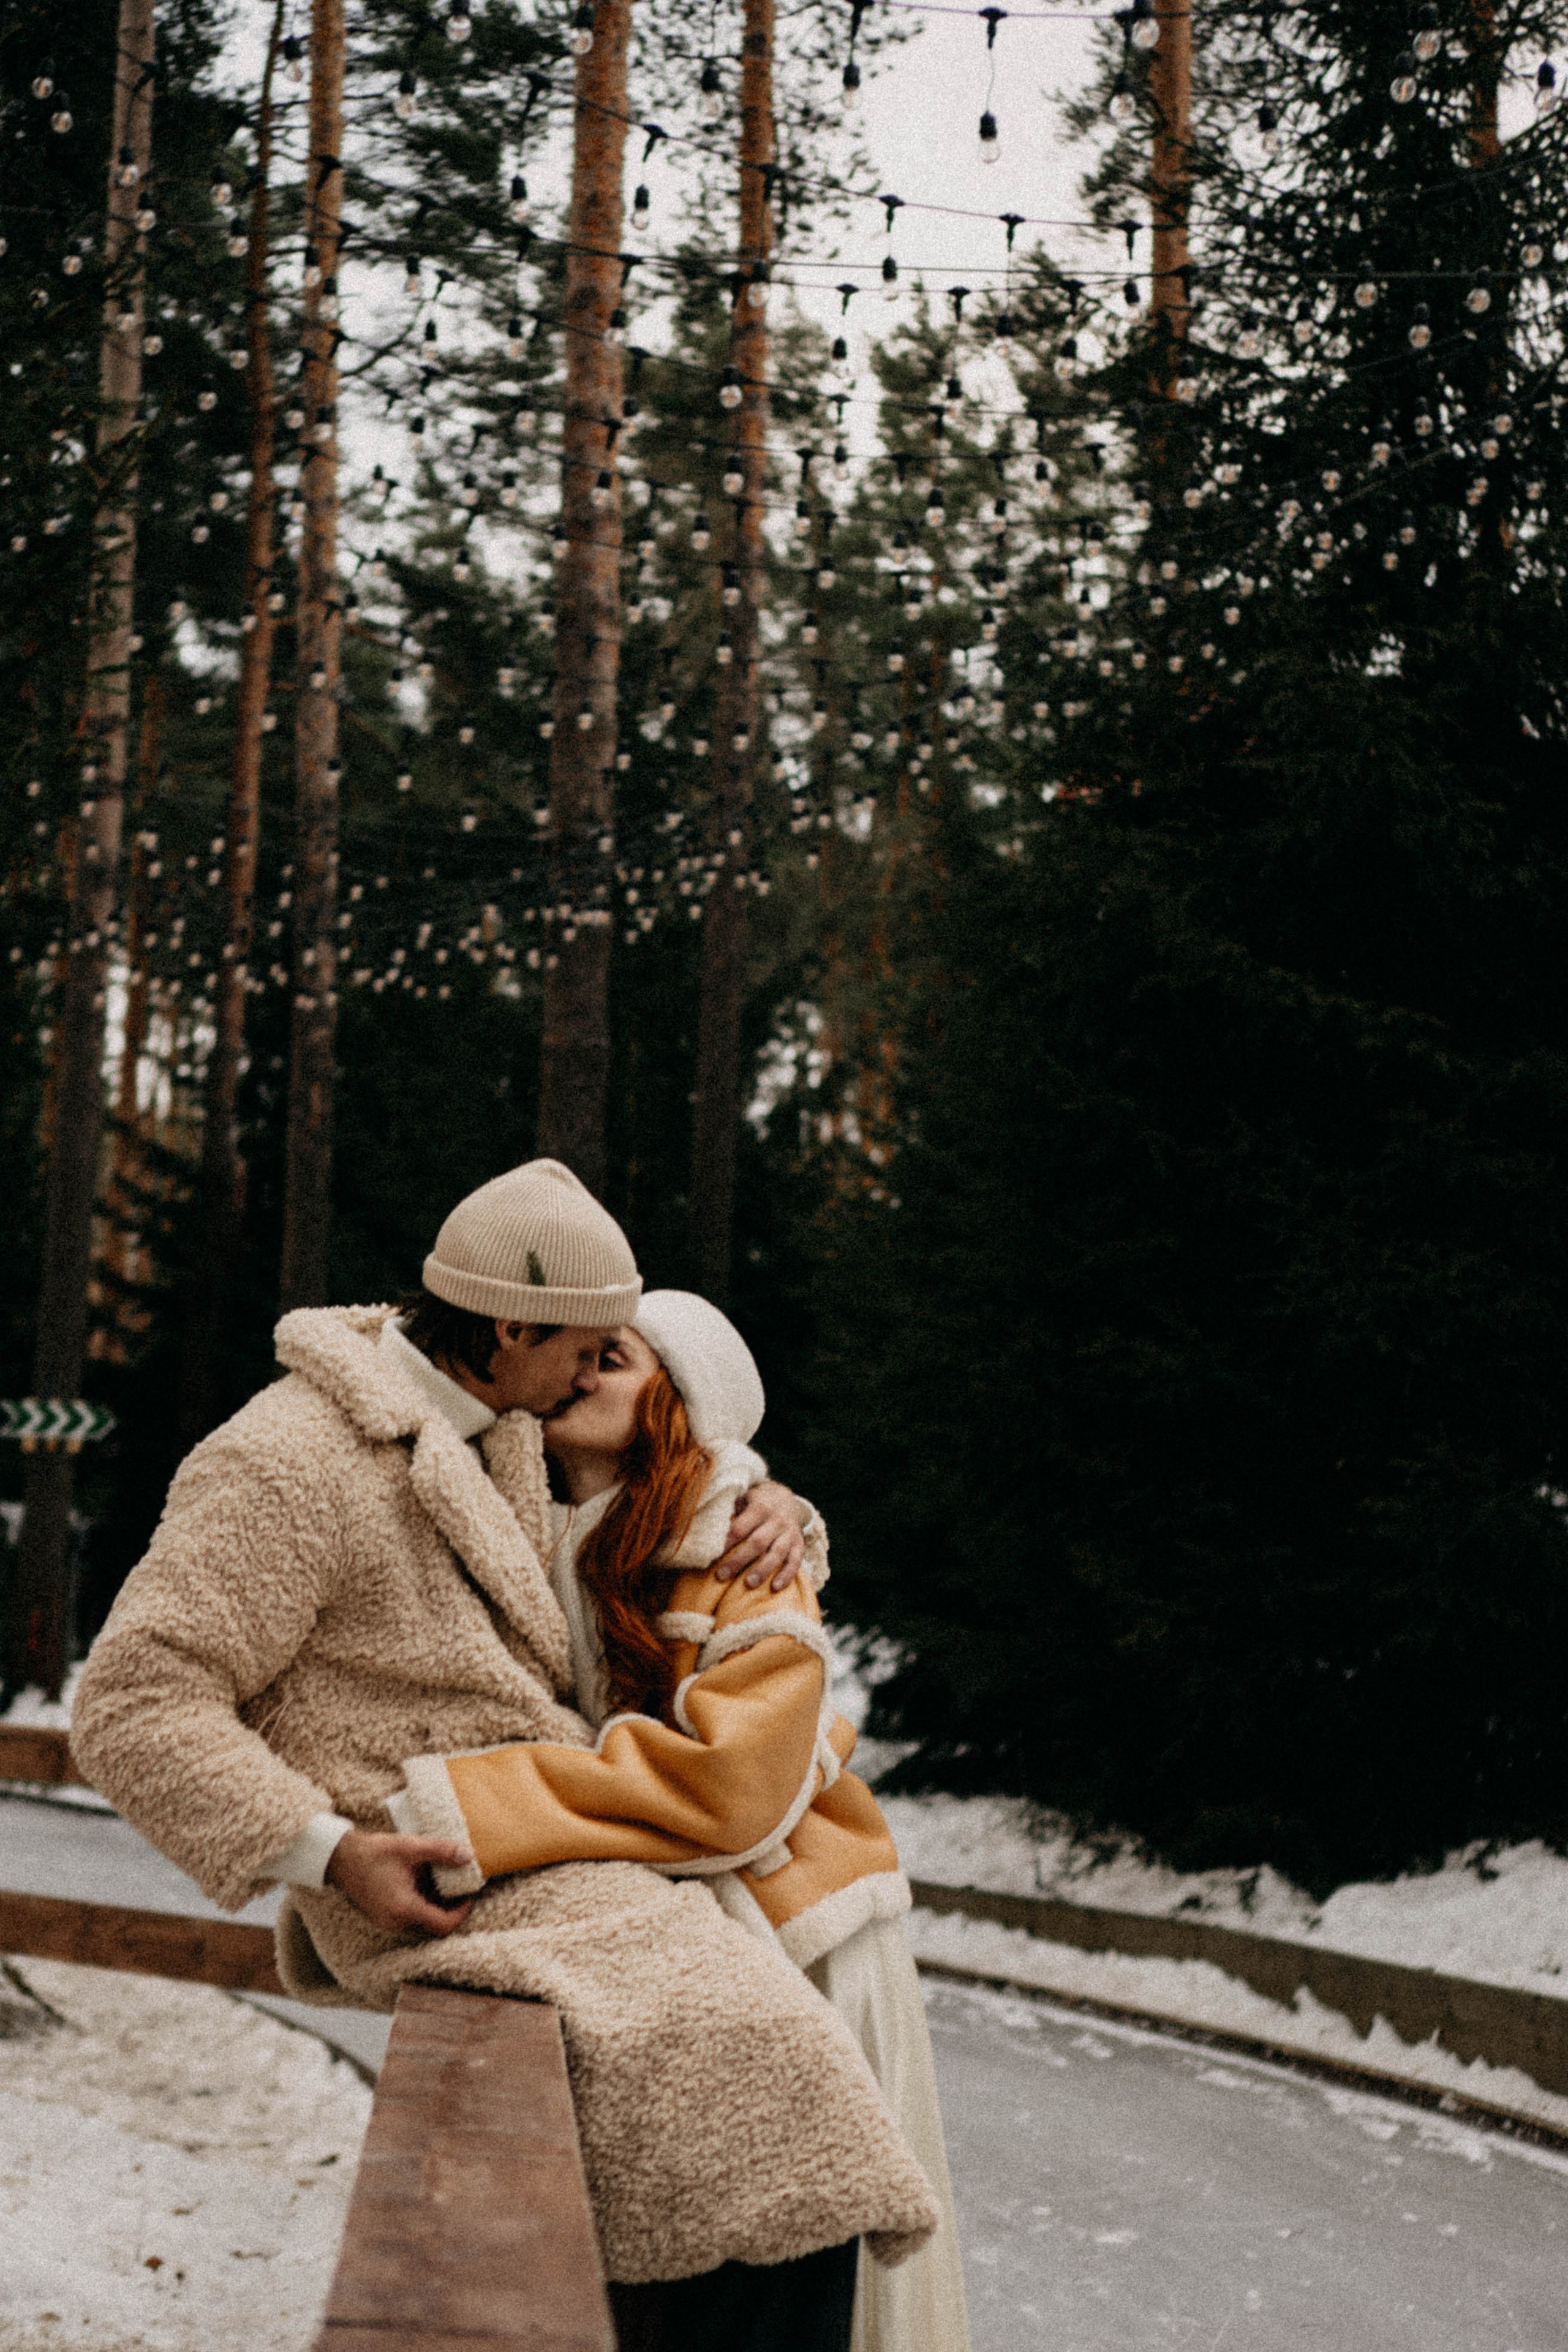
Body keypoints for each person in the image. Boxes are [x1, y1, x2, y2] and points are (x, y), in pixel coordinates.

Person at [71, 1161, 938, 2344]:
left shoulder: (498, 1428)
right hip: (426, 1864)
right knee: (758, 2081)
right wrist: (331, 1855)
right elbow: (131, 1703)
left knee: (783, 2094)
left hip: (543, 1855)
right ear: (513, 1327)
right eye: (585, 1350)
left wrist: (772, 1498)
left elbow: (660, 1475)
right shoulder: (286, 1460)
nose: (591, 1377)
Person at [392, 1289, 972, 2352]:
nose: (575, 1372)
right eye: (575, 1350)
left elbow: (733, 1791)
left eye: (609, 1358)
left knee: (777, 2282)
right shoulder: (522, 1519)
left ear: (679, 1404)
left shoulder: (743, 1549)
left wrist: (490, 1804)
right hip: (666, 1948)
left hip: (797, 1947)